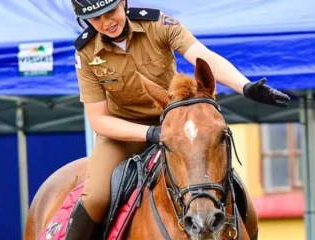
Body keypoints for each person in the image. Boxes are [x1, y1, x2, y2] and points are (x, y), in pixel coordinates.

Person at [66, 0, 290, 239]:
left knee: (233, 185)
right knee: (95, 197)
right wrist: (151, 134)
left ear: (123, 2)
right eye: (95, 18)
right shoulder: (86, 51)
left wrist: (245, 87)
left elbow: (203, 57)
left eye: (110, 12)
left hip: (178, 125)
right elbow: (99, 120)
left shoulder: (158, 23)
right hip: (122, 132)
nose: (106, 22)